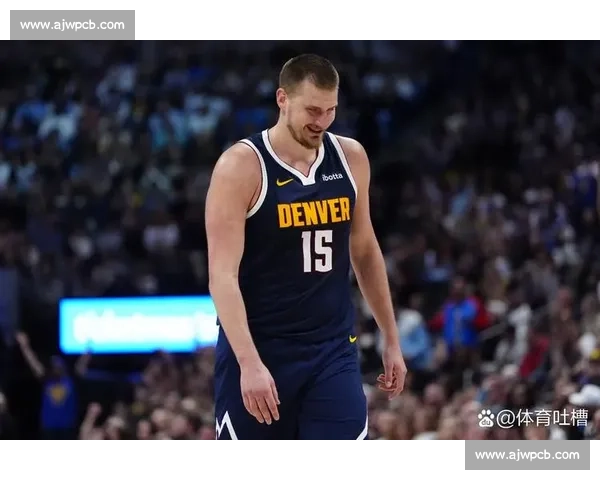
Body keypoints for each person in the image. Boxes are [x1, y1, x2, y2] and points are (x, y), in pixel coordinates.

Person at [206, 53, 407, 440]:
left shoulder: (351, 157)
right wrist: (248, 362)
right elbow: (222, 276)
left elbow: (364, 250)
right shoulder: (241, 167)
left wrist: (391, 339)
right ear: (282, 99)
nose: (322, 121)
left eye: (331, 110)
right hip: (263, 349)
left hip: (332, 349)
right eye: (313, 110)